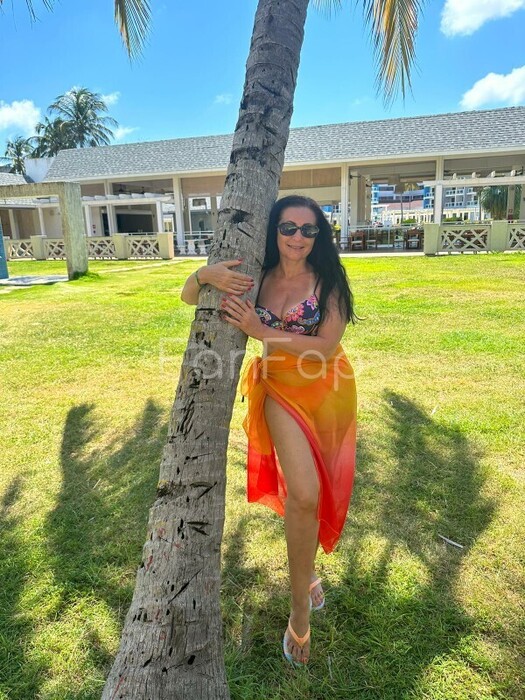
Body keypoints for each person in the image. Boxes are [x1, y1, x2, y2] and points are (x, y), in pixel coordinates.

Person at [181, 195, 358, 667]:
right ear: (273, 230)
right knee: (304, 492)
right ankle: (299, 609)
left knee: (317, 491)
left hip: (329, 390)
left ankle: (309, 573)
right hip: (279, 387)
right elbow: (189, 296)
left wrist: (261, 331)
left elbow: (325, 347)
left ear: (319, 236)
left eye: (308, 230)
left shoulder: (328, 279)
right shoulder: (257, 277)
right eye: (288, 227)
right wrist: (204, 274)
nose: (298, 237)